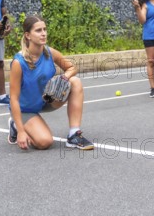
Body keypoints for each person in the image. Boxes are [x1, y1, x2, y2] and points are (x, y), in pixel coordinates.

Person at [7, 14, 94, 151]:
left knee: (75, 82)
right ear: (28, 35)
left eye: (45, 29)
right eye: (38, 30)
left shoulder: (49, 52)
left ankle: (73, 135)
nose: (43, 34)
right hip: (25, 109)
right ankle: (15, 125)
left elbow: (72, 68)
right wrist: (22, 132)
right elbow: (13, 99)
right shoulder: (19, 62)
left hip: (46, 100)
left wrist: (63, 78)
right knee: (44, 142)